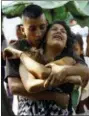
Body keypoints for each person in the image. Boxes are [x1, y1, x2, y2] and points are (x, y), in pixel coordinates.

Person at [5, 19, 89, 115]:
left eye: (63, 31)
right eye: (54, 29)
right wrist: (68, 79)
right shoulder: (29, 56)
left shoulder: (69, 60)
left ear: (66, 44)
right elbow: (30, 85)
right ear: (45, 38)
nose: (58, 31)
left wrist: (21, 55)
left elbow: (43, 72)